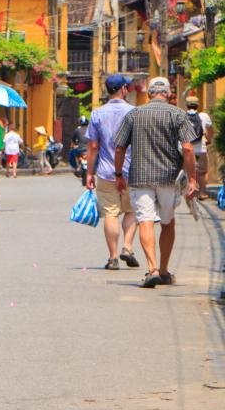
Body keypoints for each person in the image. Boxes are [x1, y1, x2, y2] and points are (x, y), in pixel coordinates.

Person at [112, 77, 198, 288]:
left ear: (149, 94)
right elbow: (188, 148)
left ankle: (152, 269)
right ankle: (165, 270)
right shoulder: (178, 114)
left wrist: (118, 175)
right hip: (169, 178)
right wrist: (193, 179)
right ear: (168, 94)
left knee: (145, 220)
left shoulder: (134, 114)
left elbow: (120, 148)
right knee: (167, 222)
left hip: (140, 177)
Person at [85, 74, 139, 271]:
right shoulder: (134, 112)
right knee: (132, 210)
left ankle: (113, 257)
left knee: (111, 213)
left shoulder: (97, 114)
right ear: (124, 89)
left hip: (106, 171)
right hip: (132, 171)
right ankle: (128, 247)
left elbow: (92, 146)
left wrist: (89, 173)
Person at [185, 95, 214, 197]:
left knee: (188, 171)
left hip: (186, 149)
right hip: (201, 149)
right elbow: (210, 131)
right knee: (203, 171)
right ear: (198, 105)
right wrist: (208, 140)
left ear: (186, 105)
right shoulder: (204, 116)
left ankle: (189, 191)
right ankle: (202, 193)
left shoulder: (181, 115)